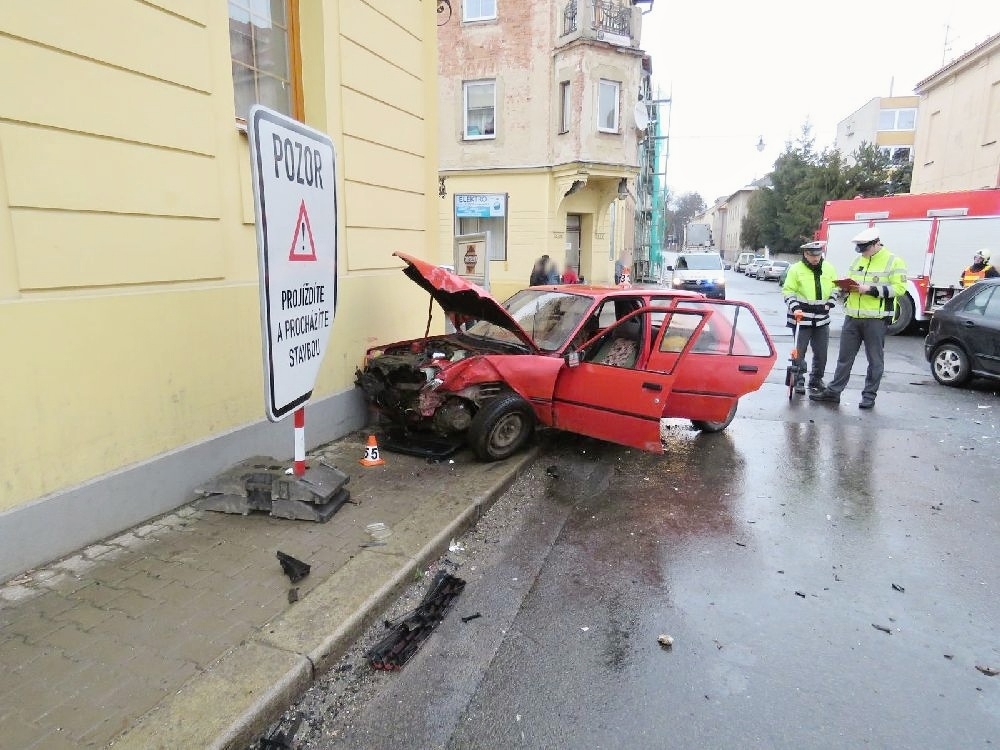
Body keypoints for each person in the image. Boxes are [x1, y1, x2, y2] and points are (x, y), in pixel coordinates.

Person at [810, 227, 907, 409]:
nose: (862, 253)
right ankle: (834, 392)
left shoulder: (894, 261)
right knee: (844, 358)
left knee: (875, 360)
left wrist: (869, 289)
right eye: (860, 249)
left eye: (865, 249)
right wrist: (846, 287)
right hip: (853, 316)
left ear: (876, 244)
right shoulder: (858, 260)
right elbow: (853, 281)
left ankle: (869, 397)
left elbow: (899, 289)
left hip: (876, 319)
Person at [782, 242, 839, 394]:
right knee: (799, 351)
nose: (815, 258)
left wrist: (830, 303)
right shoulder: (796, 269)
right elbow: (788, 291)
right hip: (802, 317)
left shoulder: (828, 268)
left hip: (822, 317)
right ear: (805, 254)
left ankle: (816, 379)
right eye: (812, 255)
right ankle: (799, 379)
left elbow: (836, 287)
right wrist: (795, 308)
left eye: (818, 255)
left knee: (821, 352)